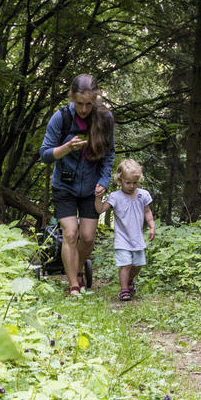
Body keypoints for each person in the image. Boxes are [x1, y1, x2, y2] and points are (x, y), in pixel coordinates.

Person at [40, 74, 115, 297]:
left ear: (95, 101)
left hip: (91, 187)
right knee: (70, 234)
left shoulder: (105, 118)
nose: (83, 109)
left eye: (88, 104)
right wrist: (66, 148)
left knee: (88, 237)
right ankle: (73, 285)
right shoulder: (60, 118)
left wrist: (104, 181)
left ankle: (77, 267)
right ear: (72, 98)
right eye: (79, 104)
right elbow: (45, 154)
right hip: (64, 185)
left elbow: (109, 154)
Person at [95, 158, 155, 301]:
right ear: (120, 180)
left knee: (137, 265)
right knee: (126, 264)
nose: (131, 186)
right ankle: (124, 290)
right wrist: (98, 198)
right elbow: (100, 210)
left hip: (137, 237)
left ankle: (129, 281)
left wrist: (152, 226)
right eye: (128, 182)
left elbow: (147, 211)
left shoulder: (143, 195)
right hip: (122, 238)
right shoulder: (115, 197)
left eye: (135, 182)